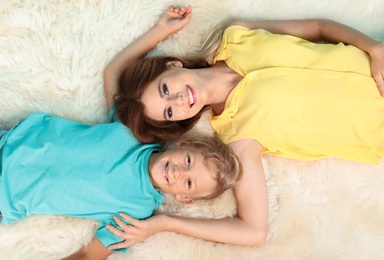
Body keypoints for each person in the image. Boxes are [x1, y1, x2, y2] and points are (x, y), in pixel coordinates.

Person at [102, 5, 384, 250]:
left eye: (165, 88)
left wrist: (373, 47)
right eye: (169, 111)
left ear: (172, 64)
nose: (177, 100)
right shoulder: (238, 137)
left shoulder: (237, 35)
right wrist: (164, 223)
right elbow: (254, 232)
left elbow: (319, 28)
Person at [0, 112, 242, 259]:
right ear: (184, 144)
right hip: (11, 139)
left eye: (189, 183)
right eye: (188, 161)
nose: (179, 172)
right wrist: (160, 30)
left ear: (183, 198)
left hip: (6, 196)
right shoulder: (139, 130)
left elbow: (90, 254)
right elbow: (115, 74)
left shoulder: (136, 216)